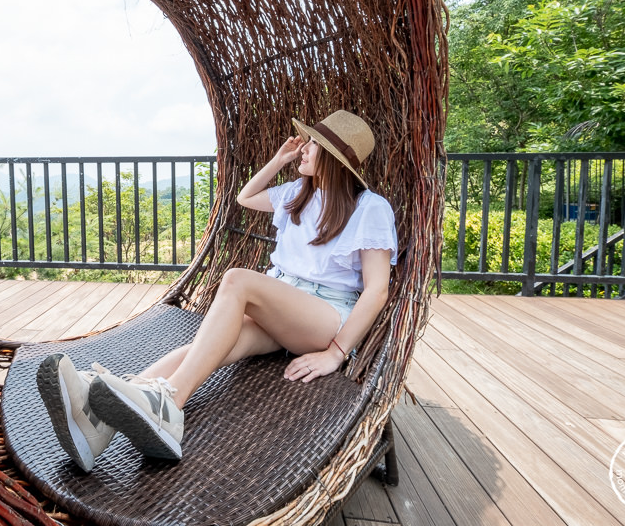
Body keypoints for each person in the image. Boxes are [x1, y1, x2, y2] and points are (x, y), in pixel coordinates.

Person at [35, 109, 397, 471]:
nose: (303, 148)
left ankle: (169, 405)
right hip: (283, 306)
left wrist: (336, 352)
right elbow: (245, 196)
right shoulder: (297, 194)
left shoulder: (371, 209)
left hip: (324, 316)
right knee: (205, 347)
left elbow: (376, 290)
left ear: (332, 159)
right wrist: (278, 159)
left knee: (238, 280)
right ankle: (97, 419)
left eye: (312, 145)